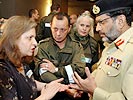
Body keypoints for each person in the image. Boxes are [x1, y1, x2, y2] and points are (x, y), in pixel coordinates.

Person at [69, 0, 133, 100]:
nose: (97, 28)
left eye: (102, 22)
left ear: (120, 21)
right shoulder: (110, 46)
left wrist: (94, 91)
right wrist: (84, 86)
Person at [0, 16, 67, 100]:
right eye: (30, 38)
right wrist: (45, 97)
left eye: (34, 38)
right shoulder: (3, 70)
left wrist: (48, 86)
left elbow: (28, 82)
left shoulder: (22, 61)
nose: (35, 43)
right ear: (14, 39)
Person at [34, 12, 86, 100]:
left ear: (69, 28)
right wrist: (65, 87)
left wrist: (56, 70)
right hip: (49, 95)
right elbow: (43, 73)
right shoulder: (43, 46)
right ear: (50, 26)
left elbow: (80, 70)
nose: (58, 33)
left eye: (63, 30)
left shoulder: (77, 47)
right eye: (55, 29)